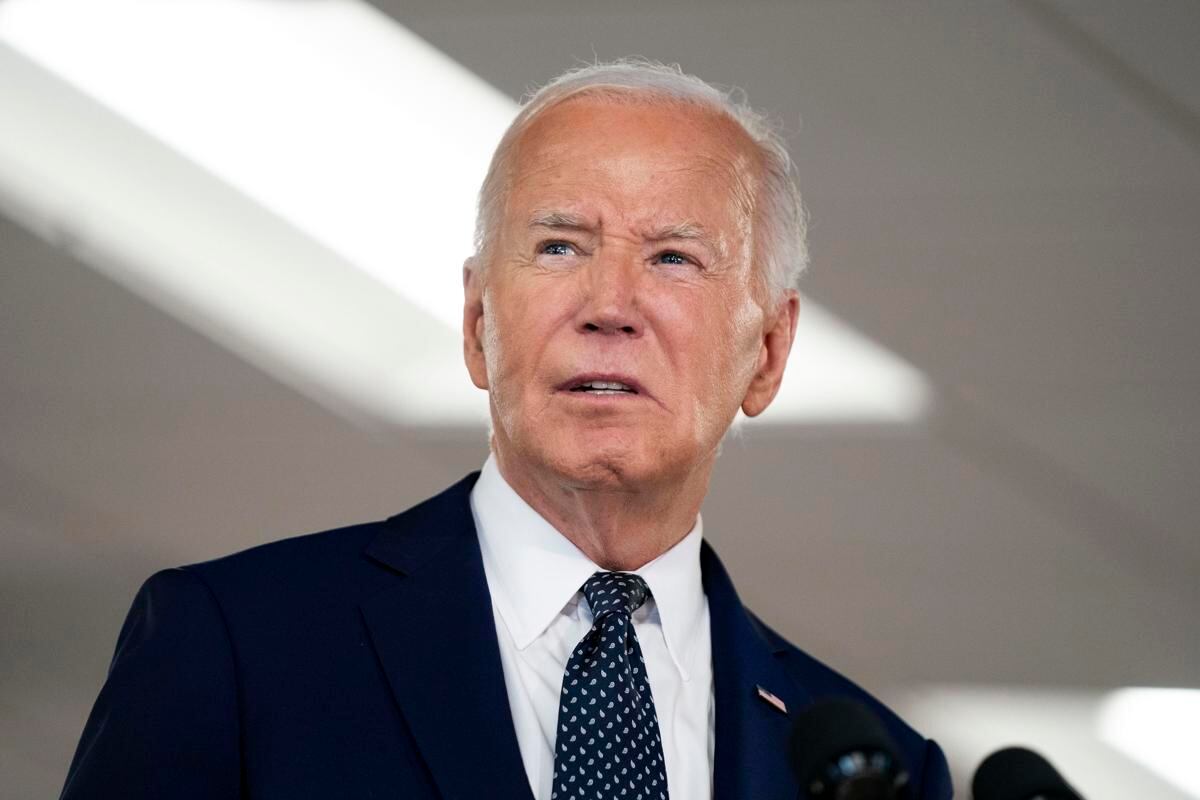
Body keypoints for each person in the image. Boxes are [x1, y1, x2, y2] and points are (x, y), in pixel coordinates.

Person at [60, 60, 952, 800]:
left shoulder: (877, 771)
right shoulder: (238, 647)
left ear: (768, 351)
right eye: (560, 247)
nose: (610, 306)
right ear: (477, 321)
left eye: (673, 258)